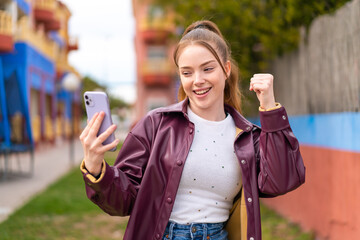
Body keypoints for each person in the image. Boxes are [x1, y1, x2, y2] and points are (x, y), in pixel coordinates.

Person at [79, 20, 305, 240]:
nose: (197, 80)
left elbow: (280, 181)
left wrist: (270, 108)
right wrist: (96, 168)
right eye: (187, 73)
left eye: (207, 69)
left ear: (226, 69)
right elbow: (122, 202)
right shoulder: (156, 124)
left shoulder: (247, 137)